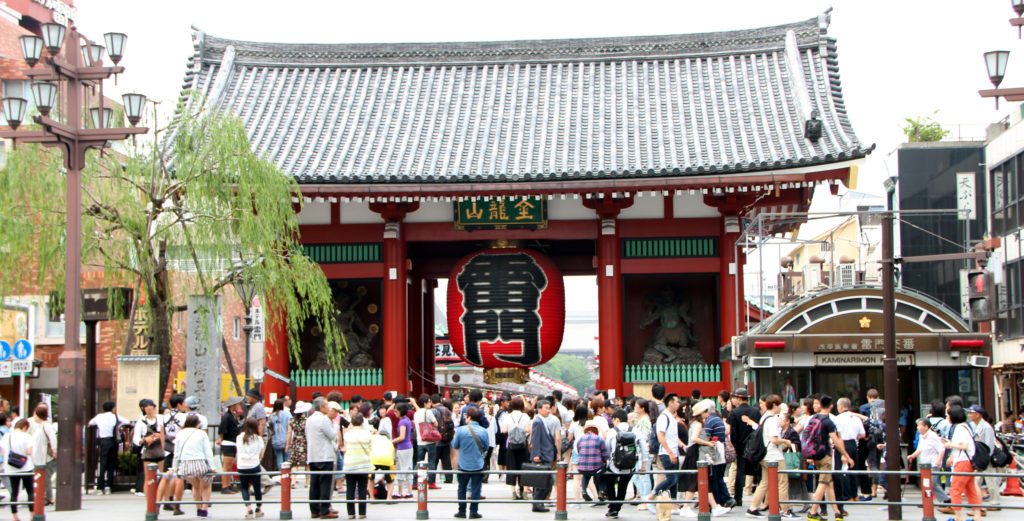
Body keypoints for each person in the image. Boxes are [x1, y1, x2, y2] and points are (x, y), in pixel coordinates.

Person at [805, 395, 853, 521]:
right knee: (823, 483)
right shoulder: (828, 421)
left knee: (829, 483)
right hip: (825, 455)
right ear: (831, 406)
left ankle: (837, 512)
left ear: (820, 405)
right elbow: (836, 441)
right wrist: (846, 456)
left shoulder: (813, 418)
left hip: (815, 454)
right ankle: (813, 512)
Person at [748, 395, 794, 519]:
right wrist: (786, 441)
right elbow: (774, 439)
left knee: (764, 482)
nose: (780, 407)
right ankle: (785, 510)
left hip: (764, 455)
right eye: (779, 405)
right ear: (774, 405)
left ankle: (752, 507)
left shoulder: (764, 417)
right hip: (774, 456)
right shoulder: (772, 419)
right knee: (782, 482)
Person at [945, 405, 984, 521]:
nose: (947, 417)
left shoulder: (960, 428)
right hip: (967, 461)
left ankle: (958, 517)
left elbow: (964, 445)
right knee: (970, 489)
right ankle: (977, 516)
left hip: (962, 462)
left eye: (948, 415)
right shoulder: (965, 426)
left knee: (955, 489)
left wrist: (949, 444)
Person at [173, 415, 215, 517]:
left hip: (185, 464)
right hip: (200, 462)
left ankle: (198, 509)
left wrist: (175, 467)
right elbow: (207, 451)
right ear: (197, 423)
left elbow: (177, 452)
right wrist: (212, 466)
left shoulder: (180, 433)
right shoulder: (201, 433)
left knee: (195, 487)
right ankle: (204, 510)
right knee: (206, 486)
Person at [604, 408, 642, 519]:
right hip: (630, 465)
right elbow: (643, 448)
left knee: (610, 483)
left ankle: (613, 508)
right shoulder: (635, 430)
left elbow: (607, 449)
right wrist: (643, 464)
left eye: (613, 419)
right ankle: (617, 508)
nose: (612, 422)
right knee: (623, 486)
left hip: (614, 465)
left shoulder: (612, 431)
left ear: (617, 419)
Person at [647, 393, 682, 507]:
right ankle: (653, 493)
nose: (679, 404)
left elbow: (673, 436)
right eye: (677, 401)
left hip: (673, 452)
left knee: (674, 480)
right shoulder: (664, 417)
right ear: (670, 403)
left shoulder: (672, 417)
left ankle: (674, 505)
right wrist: (671, 452)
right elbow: (660, 436)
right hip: (667, 453)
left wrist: (682, 445)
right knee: (671, 478)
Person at [306, 397, 339, 519]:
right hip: (325, 455)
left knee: (314, 483)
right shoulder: (324, 419)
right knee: (325, 483)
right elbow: (332, 435)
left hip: (313, 455)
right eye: (327, 405)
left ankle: (314, 510)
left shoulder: (309, 420)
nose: (329, 408)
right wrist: (335, 425)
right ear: (321, 407)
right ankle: (324, 510)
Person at [727, 388, 760, 506]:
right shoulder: (756, 411)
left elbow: (733, 434)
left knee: (740, 472)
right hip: (754, 446)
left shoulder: (734, 413)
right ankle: (762, 497)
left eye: (734, 398)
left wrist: (734, 447)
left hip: (740, 447)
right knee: (758, 472)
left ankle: (738, 498)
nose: (732, 400)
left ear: (739, 398)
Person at [89, 401, 129, 495]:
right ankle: (109, 486)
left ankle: (99, 487)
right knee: (111, 464)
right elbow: (127, 421)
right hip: (113, 441)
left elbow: (90, 423)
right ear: (113, 408)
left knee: (103, 464)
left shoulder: (99, 416)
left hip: (103, 441)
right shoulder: (116, 416)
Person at [967, 405, 1000, 511]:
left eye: (971, 413)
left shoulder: (986, 427)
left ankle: (995, 502)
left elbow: (989, 445)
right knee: (975, 481)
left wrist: (985, 458)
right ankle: (976, 503)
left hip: (986, 458)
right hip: (977, 457)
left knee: (991, 481)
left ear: (978, 414)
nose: (969, 415)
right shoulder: (972, 425)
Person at [529, 399, 558, 513]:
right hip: (542, 455)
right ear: (539, 409)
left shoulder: (542, 420)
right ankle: (537, 503)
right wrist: (536, 454)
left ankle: (538, 503)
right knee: (545, 481)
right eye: (545, 408)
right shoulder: (537, 421)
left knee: (544, 481)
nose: (548, 410)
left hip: (545, 454)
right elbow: (535, 439)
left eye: (549, 408)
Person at [343, 413, 374, 519]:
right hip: (363, 464)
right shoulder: (367, 434)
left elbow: (345, 445)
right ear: (362, 422)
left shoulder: (347, 435)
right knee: (362, 489)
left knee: (350, 489)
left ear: (352, 422)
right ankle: (362, 513)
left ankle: (351, 513)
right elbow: (370, 448)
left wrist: (349, 428)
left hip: (350, 464)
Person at [236, 417, 267, 519]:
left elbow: (238, 451)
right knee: (257, 487)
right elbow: (261, 453)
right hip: (254, 465)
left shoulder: (239, 437)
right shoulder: (258, 438)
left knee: (244, 487)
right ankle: (259, 509)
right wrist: (256, 459)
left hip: (242, 466)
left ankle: (248, 509)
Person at [3, 418, 34, 521]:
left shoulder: (7, 436)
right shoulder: (27, 436)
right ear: (25, 427)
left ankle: (15, 516)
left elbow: (3, 453)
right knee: (30, 491)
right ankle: (31, 515)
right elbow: (29, 452)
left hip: (11, 467)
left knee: (14, 492)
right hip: (26, 467)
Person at [26, 404, 57, 506]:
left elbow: (53, 439)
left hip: (44, 457)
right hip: (39, 456)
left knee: (45, 478)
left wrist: (54, 451)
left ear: (37, 414)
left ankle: (48, 498)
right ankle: (44, 497)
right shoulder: (40, 425)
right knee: (42, 477)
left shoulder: (46, 425)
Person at [413, 394, 441, 489]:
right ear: (425, 403)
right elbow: (436, 423)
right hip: (430, 441)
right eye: (429, 402)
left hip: (420, 441)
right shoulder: (428, 412)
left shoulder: (416, 413)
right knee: (431, 461)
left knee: (419, 462)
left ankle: (415, 482)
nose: (430, 403)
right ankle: (431, 483)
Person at [576, 420, 607, 502]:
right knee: (603, 473)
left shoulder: (581, 438)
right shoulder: (599, 439)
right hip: (596, 467)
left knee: (585, 474)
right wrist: (604, 461)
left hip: (582, 466)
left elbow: (578, 450)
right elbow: (604, 454)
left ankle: (584, 491)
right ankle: (601, 491)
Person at [219, 396, 245, 493]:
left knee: (230, 466)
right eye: (237, 404)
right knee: (226, 467)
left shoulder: (232, 416)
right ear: (233, 406)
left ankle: (229, 485)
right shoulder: (226, 417)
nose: (239, 406)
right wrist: (221, 440)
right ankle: (224, 486)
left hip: (233, 443)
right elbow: (222, 430)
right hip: (228, 443)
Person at [289, 401, 311, 488]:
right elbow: (308, 432)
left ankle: (293, 481)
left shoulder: (291, 420)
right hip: (305, 442)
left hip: (295, 442)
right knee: (307, 463)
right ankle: (307, 482)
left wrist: (287, 444)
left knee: (294, 463)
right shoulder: (306, 420)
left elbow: (289, 433)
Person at [269, 399, 292, 470]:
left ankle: (281, 473)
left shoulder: (272, 416)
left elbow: (270, 427)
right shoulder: (287, 414)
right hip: (285, 439)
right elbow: (290, 428)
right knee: (287, 457)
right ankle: (287, 474)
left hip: (276, 440)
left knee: (279, 457)